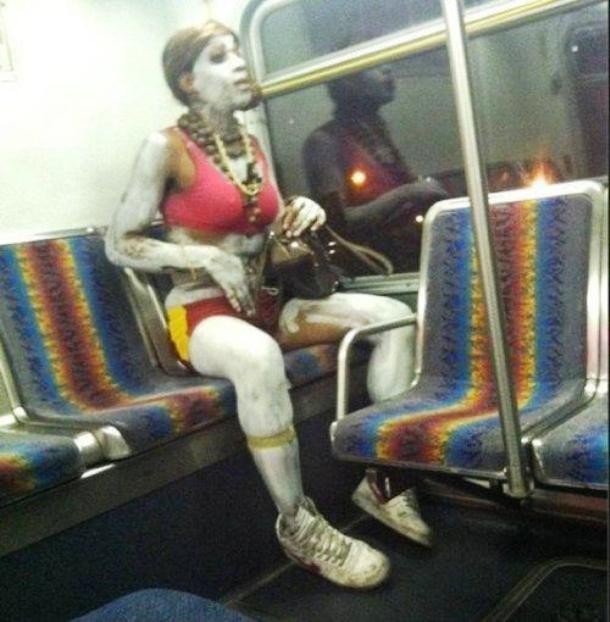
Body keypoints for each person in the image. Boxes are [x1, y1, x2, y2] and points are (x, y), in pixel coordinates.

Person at [105, 21, 430, 590]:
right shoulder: (166, 148)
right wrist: (204, 258)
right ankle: (298, 523)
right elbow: (119, 243)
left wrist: (301, 210)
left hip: (269, 303)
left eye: (237, 52)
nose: (238, 63)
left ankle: (382, 481)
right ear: (188, 81)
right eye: (218, 57)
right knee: (259, 358)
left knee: (393, 317)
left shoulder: (250, 145)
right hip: (202, 315)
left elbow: (259, 224)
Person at [303, 64, 449, 273]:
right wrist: (412, 192)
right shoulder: (324, 141)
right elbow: (340, 222)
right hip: (376, 270)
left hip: (410, 260)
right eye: (374, 65)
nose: (388, 69)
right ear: (349, 81)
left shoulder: (376, 131)